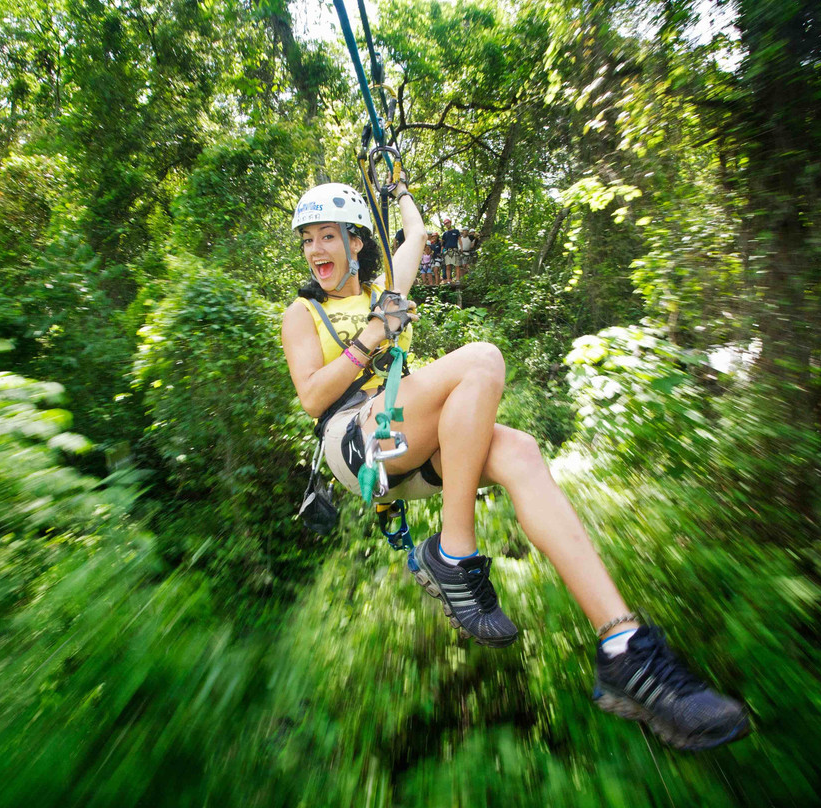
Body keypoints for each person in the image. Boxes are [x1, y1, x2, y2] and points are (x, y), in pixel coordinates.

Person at [280, 181, 750, 752]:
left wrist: (399, 186)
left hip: (409, 442)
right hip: (354, 441)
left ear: (357, 242)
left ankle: (623, 648)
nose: (315, 250)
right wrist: (373, 336)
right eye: (307, 239)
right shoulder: (302, 313)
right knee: (481, 358)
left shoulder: (384, 290)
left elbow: (418, 235)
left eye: (327, 236)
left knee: (522, 452)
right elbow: (311, 396)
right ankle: (454, 552)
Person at [440, 219, 460, 284]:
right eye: (445, 224)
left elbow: (459, 240)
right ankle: (448, 280)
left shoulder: (456, 231)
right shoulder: (445, 234)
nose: (447, 224)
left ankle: (457, 280)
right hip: (447, 251)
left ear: (450, 223)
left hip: (455, 249)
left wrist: (461, 249)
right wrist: (442, 252)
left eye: (447, 223)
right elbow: (442, 244)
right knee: (448, 266)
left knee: (457, 265)